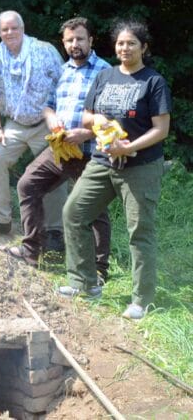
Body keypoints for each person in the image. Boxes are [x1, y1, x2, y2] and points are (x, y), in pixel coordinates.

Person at [59, 20, 171, 320]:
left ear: (143, 48)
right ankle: (85, 283)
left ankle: (141, 300)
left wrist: (129, 147)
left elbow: (161, 129)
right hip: (102, 161)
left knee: (139, 232)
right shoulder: (106, 76)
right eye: (121, 43)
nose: (125, 48)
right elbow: (86, 116)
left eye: (131, 43)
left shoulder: (153, 82)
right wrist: (99, 124)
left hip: (140, 166)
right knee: (74, 213)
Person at [4, 17, 112, 279]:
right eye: (70, 40)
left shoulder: (106, 72)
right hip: (62, 149)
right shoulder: (61, 72)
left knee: (94, 208)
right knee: (27, 185)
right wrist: (52, 120)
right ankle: (32, 250)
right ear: (64, 43)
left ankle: (99, 269)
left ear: (91, 41)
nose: (75, 44)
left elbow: (114, 116)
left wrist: (86, 132)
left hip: (92, 152)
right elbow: (47, 105)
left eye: (80, 39)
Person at [0, 10, 68, 248]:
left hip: (45, 123)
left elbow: (65, 84)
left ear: (23, 28)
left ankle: (55, 230)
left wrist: (60, 120)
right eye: (4, 29)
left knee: (55, 170)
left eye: (14, 28)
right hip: (14, 124)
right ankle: (0, 218)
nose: (10, 33)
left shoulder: (44, 51)